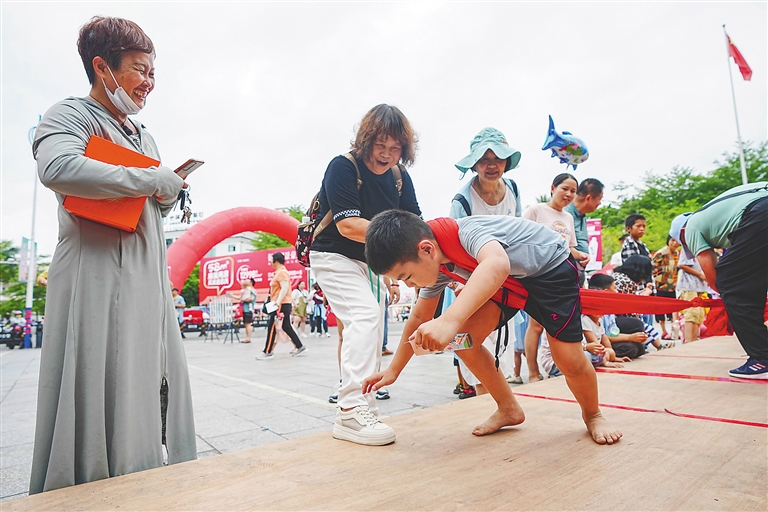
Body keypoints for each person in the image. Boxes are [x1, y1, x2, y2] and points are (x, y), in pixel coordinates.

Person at [29, 16, 196, 494]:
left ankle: (143, 479)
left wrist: (167, 191)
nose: (149, 83)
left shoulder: (143, 135)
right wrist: (151, 179)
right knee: (97, 378)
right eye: (139, 70)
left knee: (149, 378)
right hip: (94, 270)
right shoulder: (69, 114)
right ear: (103, 68)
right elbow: (58, 166)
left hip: (146, 275)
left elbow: (147, 200)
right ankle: (88, 490)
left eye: (152, 73)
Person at [364, 210, 622, 445]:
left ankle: (593, 414)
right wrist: (393, 370)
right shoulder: (436, 265)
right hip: (509, 282)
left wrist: (448, 320)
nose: (409, 286)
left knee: (568, 359)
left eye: (406, 277)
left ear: (427, 249)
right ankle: (508, 408)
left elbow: (497, 264)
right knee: (463, 341)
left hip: (550, 269)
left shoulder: (468, 231)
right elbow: (419, 317)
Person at [310, 104, 422, 446]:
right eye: (380, 146)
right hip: (333, 253)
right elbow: (348, 225)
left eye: (395, 148)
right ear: (366, 139)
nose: (386, 155)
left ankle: (366, 407)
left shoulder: (400, 177)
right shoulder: (343, 166)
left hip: (370, 262)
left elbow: (416, 224)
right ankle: (349, 409)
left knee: (374, 333)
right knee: (365, 315)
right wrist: (400, 236)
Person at [447, 127, 523, 393]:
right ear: (474, 165)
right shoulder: (462, 201)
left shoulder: (513, 189)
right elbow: (453, 245)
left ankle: (503, 403)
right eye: (484, 159)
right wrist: (460, 284)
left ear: (506, 162)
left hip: (507, 279)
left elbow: (520, 231)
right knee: (472, 340)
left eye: (497, 159)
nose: (492, 166)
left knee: (503, 340)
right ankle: (483, 398)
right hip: (473, 278)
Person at [669, 182, 768, 378]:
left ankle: (762, 358)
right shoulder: (717, 215)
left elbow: (714, 275)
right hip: (760, 208)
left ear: (682, 233)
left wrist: (729, 299)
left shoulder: (691, 228)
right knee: (752, 281)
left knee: (731, 284)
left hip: (760, 212)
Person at [522, 173, 588, 382]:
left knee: (557, 325)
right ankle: (533, 372)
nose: (568, 194)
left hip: (561, 279)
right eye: (564, 188)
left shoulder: (568, 218)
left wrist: (581, 256)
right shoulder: (535, 210)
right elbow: (519, 236)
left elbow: (570, 247)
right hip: (537, 275)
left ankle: (556, 366)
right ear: (553, 187)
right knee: (536, 325)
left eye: (573, 191)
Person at [587, 274, 649, 360]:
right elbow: (601, 339)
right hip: (595, 345)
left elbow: (611, 333)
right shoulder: (593, 315)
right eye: (615, 288)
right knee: (631, 348)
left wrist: (633, 337)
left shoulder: (609, 309)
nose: (617, 291)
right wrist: (629, 337)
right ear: (606, 291)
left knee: (640, 347)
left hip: (606, 342)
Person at [257, 252, 306, 359]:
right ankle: (300, 346)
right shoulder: (279, 272)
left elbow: (284, 288)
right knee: (286, 326)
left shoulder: (282, 273)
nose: (271, 263)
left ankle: (267, 351)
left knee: (272, 327)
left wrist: (278, 302)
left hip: (280, 304)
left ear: (276, 261)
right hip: (281, 303)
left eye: (272, 261)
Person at [612, 255, 665, 351]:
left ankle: (658, 346)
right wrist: (646, 295)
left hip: (611, 316)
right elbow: (632, 309)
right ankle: (659, 347)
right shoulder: (627, 282)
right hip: (615, 318)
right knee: (640, 324)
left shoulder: (616, 276)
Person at [564, 178, 604, 284]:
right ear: (589, 198)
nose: (599, 203)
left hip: (578, 271)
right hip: (565, 271)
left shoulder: (583, 216)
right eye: (600, 199)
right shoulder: (565, 213)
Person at [652, 236, 680, 340]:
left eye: (677, 241)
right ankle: (663, 331)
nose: (674, 243)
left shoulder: (677, 253)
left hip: (672, 285)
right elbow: (653, 266)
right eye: (672, 240)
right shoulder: (661, 253)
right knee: (660, 308)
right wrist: (659, 278)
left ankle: (674, 329)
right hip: (661, 285)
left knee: (673, 307)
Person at [239, 279, 256, 343]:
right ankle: (247, 337)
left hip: (249, 309)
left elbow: (251, 299)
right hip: (245, 309)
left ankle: (249, 338)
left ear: (251, 283)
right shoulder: (246, 290)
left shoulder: (253, 291)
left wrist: (243, 300)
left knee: (248, 323)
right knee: (246, 324)